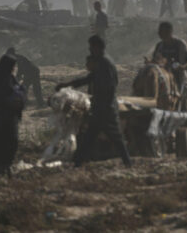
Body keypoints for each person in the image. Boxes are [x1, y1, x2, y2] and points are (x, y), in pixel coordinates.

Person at [56, 36, 131, 167]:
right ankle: (77, 163)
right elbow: (88, 79)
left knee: (114, 138)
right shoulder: (102, 62)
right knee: (91, 136)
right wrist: (67, 85)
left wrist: (102, 104)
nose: (90, 50)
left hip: (106, 108)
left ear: (97, 47)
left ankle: (128, 163)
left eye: (91, 47)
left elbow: (110, 87)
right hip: (102, 107)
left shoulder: (105, 64)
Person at [150, 22, 187, 106]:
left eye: (162, 32)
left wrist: (182, 67)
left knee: (180, 103)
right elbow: (155, 60)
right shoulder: (159, 46)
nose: (160, 34)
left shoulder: (180, 44)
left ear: (169, 32)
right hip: (163, 78)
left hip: (179, 77)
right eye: (159, 32)